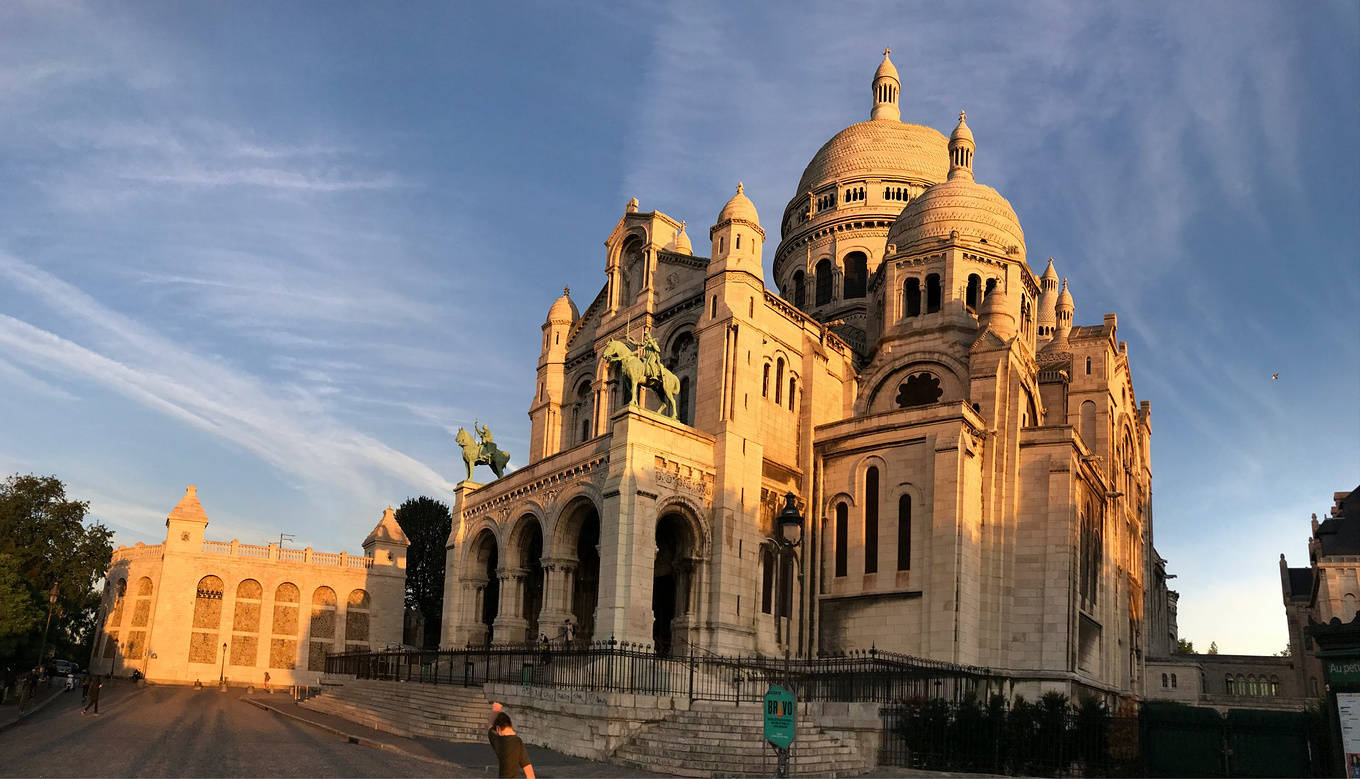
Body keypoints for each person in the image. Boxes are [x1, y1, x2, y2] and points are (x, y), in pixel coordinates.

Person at [487, 702, 535, 778]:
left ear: (498, 728)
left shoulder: (499, 741)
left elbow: (490, 726)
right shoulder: (518, 742)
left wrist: (495, 710)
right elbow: (530, 773)